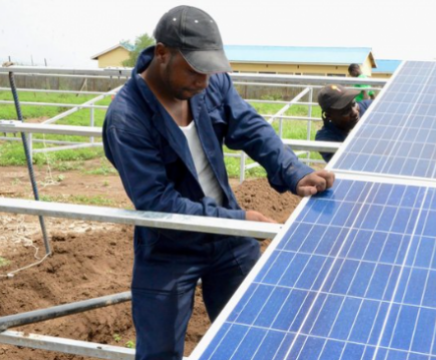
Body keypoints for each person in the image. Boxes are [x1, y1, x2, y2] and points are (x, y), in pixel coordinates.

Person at [102, 6, 335, 360]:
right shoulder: (126, 119)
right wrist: (241, 222)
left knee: (255, 335)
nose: (205, 81)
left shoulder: (209, 84)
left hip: (227, 238)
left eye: (212, 70)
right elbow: (158, 201)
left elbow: (251, 127)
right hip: (169, 245)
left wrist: (295, 171)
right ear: (162, 52)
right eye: (196, 69)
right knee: (158, 352)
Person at [315, 84, 372, 162]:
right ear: (329, 116)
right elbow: (352, 164)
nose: (354, 112)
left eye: (353, 104)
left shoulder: (367, 107)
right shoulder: (326, 139)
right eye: (345, 111)